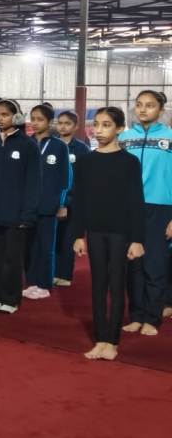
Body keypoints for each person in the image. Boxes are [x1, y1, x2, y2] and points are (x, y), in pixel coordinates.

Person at [71, 107, 146, 361]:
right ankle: (100, 339)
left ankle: (112, 341)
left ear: (119, 129)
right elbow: (79, 200)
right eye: (96, 125)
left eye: (106, 125)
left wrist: (137, 239)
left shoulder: (129, 162)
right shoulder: (85, 161)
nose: (99, 130)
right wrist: (78, 235)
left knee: (116, 285)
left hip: (120, 233)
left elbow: (136, 201)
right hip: (94, 231)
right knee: (98, 286)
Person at [118, 90, 172, 336]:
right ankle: (137, 315)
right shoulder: (125, 138)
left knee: (155, 265)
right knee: (134, 266)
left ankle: (152, 317)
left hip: (161, 209)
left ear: (161, 110)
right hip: (129, 208)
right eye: (139, 104)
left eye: (149, 105)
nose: (143, 109)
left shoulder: (170, 137)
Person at [0, 100, 41, 314]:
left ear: (16, 117)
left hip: (16, 214)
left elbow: (33, 182)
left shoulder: (27, 145)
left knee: (12, 259)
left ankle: (10, 298)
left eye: (5, 114)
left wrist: (28, 213)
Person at [23, 104, 70, 299]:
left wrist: (62, 203)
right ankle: (32, 281)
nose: (35, 123)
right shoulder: (26, 143)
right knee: (29, 247)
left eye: (40, 119)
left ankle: (44, 284)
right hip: (28, 206)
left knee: (46, 247)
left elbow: (65, 177)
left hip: (48, 205)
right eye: (33, 118)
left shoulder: (59, 146)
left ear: (50, 122)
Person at [54, 110, 92, 287]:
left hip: (73, 202)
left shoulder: (82, 149)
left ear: (76, 127)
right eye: (60, 123)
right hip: (52, 200)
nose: (63, 126)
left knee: (67, 239)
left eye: (67, 123)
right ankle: (51, 271)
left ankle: (64, 274)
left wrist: (71, 199)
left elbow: (84, 178)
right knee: (52, 239)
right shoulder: (51, 145)